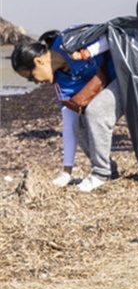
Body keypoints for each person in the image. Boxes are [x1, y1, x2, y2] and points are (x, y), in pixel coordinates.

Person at [11, 30, 120, 192]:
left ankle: (100, 174)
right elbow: (69, 124)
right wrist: (66, 172)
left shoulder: (67, 40)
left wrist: (87, 53)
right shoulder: (62, 82)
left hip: (129, 74)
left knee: (95, 112)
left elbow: (112, 36)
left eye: (31, 76)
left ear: (39, 61)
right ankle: (109, 170)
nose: (34, 82)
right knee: (79, 124)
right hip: (113, 87)